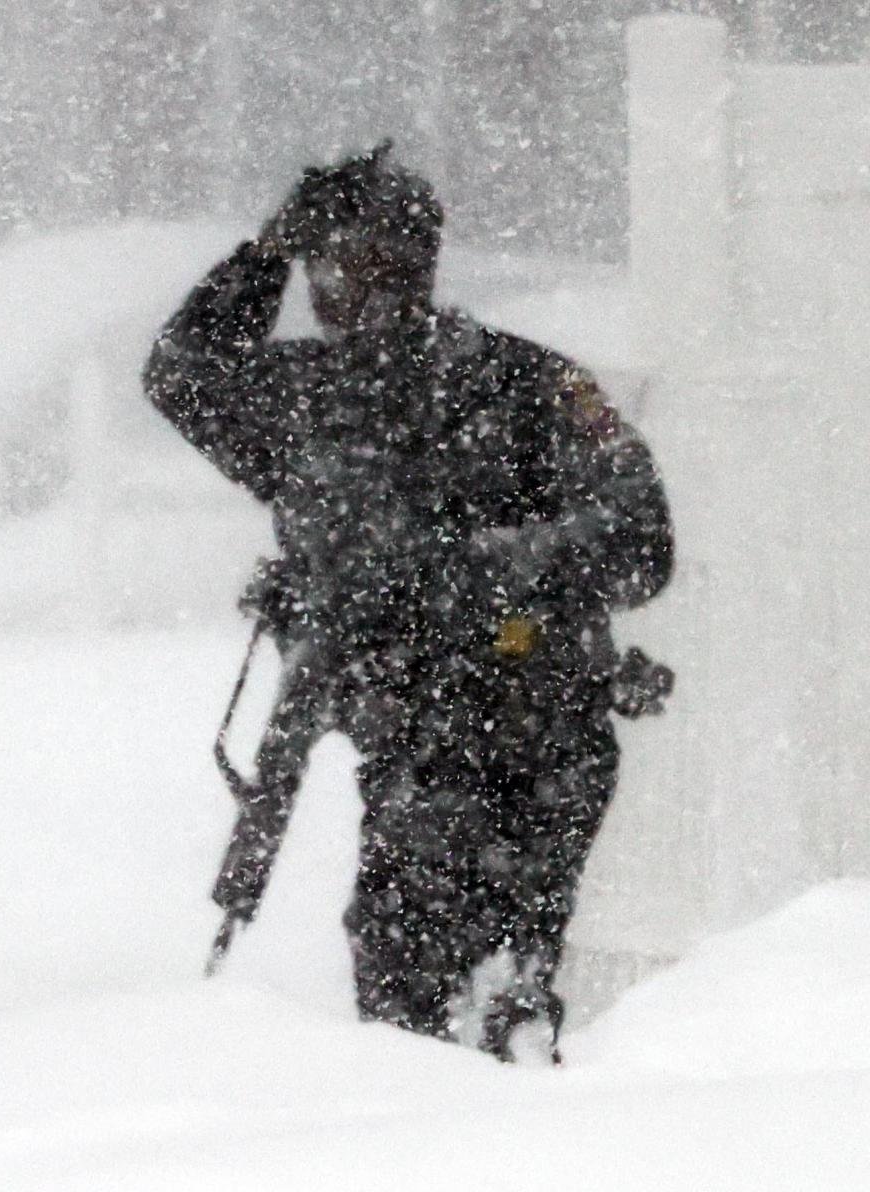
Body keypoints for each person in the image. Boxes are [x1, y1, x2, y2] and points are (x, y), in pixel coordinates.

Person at [143, 142, 674, 1061]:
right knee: (412, 977)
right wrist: (262, 254)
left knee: (440, 980)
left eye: (340, 259)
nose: (324, 284)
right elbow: (182, 372)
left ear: (404, 262)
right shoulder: (312, 395)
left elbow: (640, 537)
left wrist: (473, 570)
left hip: (525, 720)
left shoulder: (518, 387)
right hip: (402, 734)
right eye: (316, 262)